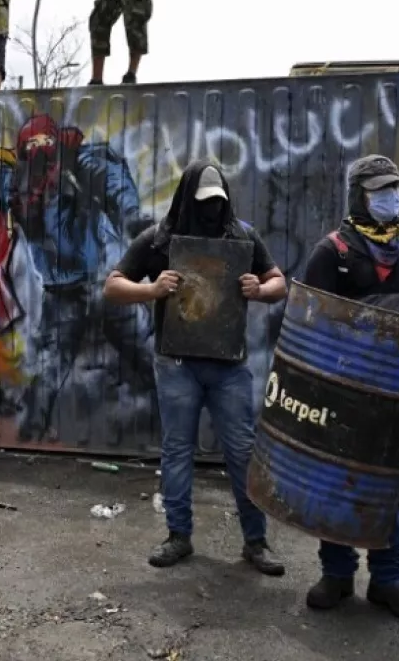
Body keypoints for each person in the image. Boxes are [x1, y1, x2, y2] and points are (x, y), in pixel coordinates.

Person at [0, 114, 158, 443]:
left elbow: (112, 179)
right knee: (47, 371)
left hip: (106, 284)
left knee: (146, 354)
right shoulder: (12, 185)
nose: (44, 172)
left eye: (49, 161)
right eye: (34, 162)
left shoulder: (81, 164)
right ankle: (33, 436)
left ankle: (169, 421)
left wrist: (132, 216)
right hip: (62, 294)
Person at [103, 161, 288, 574]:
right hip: (178, 365)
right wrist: (152, 289)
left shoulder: (243, 236)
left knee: (242, 453)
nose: (212, 209)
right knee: (177, 452)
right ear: (187, 197)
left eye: (218, 202)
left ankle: (256, 543)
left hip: (229, 367)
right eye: (204, 202)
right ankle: (178, 536)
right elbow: (112, 286)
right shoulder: (160, 239)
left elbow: (279, 283)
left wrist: (260, 289)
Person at [296, 154, 399, 623]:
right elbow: (309, 317)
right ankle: (336, 575)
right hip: (343, 384)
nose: (388, 197)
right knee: (336, 479)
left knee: (387, 486)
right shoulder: (332, 250)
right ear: (359, 194)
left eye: (393, 189)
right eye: (378, 190)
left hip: (393, 390)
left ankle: (388, 580)